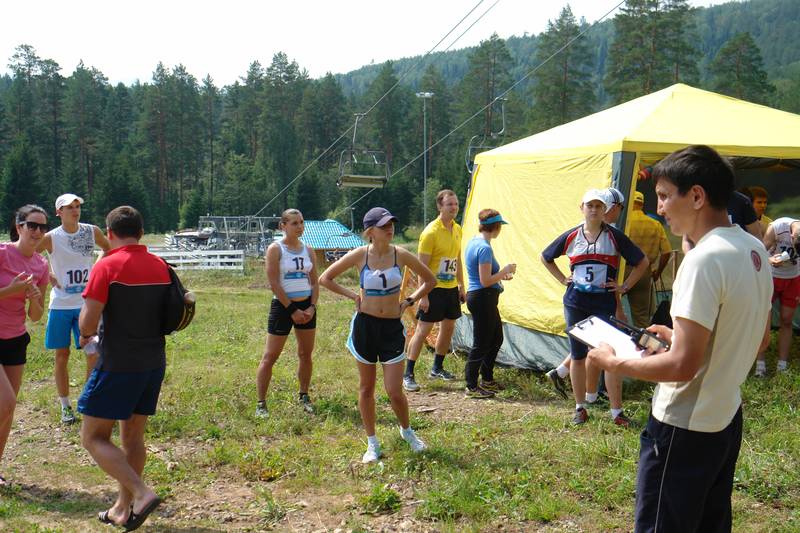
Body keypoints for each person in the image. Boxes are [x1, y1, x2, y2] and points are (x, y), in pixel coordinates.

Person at [588, 145, 772, 532]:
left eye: (665, 195)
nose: (660, 208)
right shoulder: (753, 249)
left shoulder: (703, 260)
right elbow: (756, 340)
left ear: (697, 196)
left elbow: (682, 366)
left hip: (682, 426)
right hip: (724, 418)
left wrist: (614, 363)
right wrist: (681, 335)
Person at [319, 207, 435, 463]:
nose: (390, 229)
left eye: (391, 224)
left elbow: (430, 279)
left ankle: (408, 432)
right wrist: (353, 296)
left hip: (392, 329)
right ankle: (372, 443)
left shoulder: (401, 255)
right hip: (365, 328)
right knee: (366, 388)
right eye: (384, 226)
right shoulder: (360, 255)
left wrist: (409, 301)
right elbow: (325, 278)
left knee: (394, 390)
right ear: (370, 231)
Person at [77, 206, 166, 529]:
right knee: (133, 438)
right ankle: (122, 508)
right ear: (141, 233)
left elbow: (88, 320)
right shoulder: (161, 266)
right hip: (153, 361)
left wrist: (87, 337)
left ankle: (141, 493)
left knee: (93, 437)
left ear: (109, 233)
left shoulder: (107, 266)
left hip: (117, 363)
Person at [542, 189, 649, 427]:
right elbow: (546, 256)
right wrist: (562, 279)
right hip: (576, 302)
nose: (593, 210)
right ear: (582, 208)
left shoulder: (614, 236)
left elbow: (642, 261)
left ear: (605, 210)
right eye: (589, 205)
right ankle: (580, 407)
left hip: (603, 302)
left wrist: (624, 286)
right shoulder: (571, 236)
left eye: (598, 206)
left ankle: (616, 412)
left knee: (610, 354)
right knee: (578, 355)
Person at [36, 193, 110, 425]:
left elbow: (109, 249)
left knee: (93, 353)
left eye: (77, 206)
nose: (75, 210)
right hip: (59, 305)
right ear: (58, 212)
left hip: (86, 304)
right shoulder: (51, 237)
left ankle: (88, 400)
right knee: (62, 355)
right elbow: (29, 257)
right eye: (69, 207)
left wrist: (97, 269)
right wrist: (46, 273)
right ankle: (65, 406)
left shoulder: (91, 231)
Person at [0, 205, 50, 486]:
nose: (38, 232)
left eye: (43, 227)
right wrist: (12, 290)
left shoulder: (41, 265)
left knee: (8, 411)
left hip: (16, 339)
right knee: (5, 402)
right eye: (32, 225)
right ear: (19, 227)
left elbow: (36, 316)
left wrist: (33, 298)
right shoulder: (2, 253)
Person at [256, 208, 318, 417]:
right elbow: (274, 282)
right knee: (270, 356)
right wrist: (292, 309)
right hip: (283, 308)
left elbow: (315, 282)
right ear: (283, 226)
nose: (299, 227)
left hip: (307, 307)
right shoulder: (276, 249)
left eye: (301, 222)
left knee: (305, 354)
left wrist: (311, 307)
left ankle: (304, 395)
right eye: (294, 223)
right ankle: (261, 403)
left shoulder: (308, 250)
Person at [403, 190, 465, 392]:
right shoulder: (430, 232)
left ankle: (437, 367)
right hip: (433, 289)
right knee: (423, 331)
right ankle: (408, 373)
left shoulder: (457, 229)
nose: (454, 207)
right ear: (440, 207)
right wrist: (424, 296)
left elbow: (457, 260)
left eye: (455, 204)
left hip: (450, 289)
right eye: (449, 204)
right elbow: (422, 266)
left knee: (448, 328)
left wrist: (461, 285)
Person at [463, 209, 516, 398]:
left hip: (483, 297)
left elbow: (484, 277)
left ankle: (487, 378)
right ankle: (471, 384)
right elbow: (485, 280)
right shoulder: (485, 248)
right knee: (482, 342)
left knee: (495, 339)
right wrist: (505, 270)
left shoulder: (474, 242)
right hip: (482, 297)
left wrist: (501, 277)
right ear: (496, 226)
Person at [755, 216, 800, 376]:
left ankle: (782, 365)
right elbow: (760, 252)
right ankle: (760, 366)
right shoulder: (778, 227)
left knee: (787, 320)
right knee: (762, 320)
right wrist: (769, 259)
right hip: (771, 277)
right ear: (792, 236)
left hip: (793, 278)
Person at [625, 191, 672, 328]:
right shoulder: (655, 224)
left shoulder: (624, 223)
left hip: (622, 272)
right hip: (645, 273)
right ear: (642, 204)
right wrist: (657, 272)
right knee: (641, 318)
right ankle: (644, 345)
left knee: (615, 311)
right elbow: (667, 252)